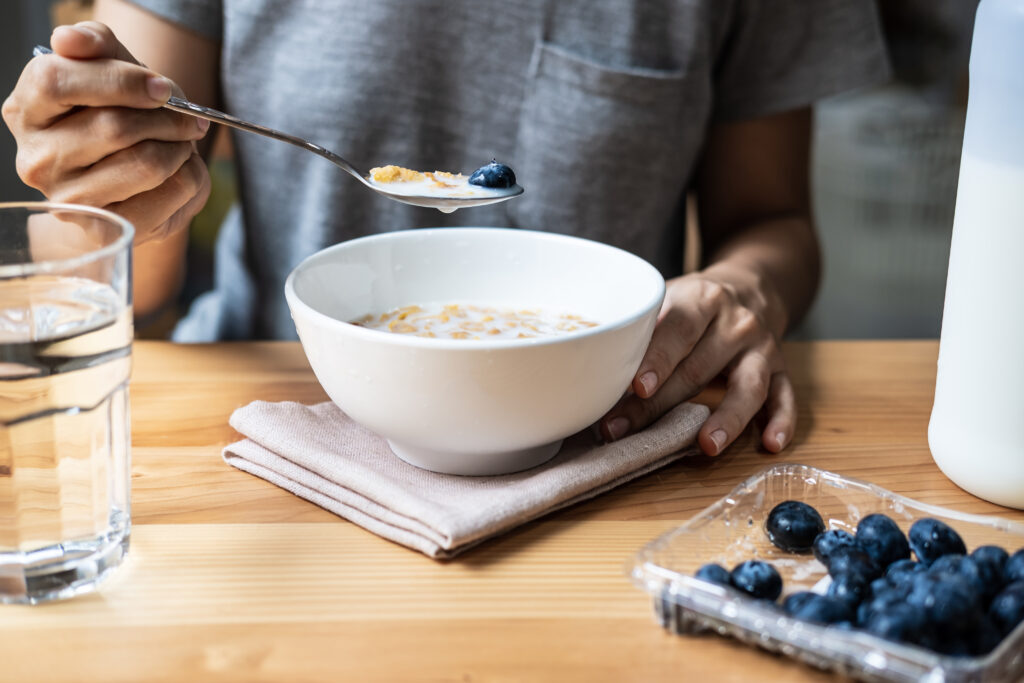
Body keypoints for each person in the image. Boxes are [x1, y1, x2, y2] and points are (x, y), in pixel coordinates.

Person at [1, 0, 889, 457]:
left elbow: (771, 221)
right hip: (273, 428)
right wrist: (95, 181)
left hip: (615, 434)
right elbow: (120, 278)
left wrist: (744, 292)